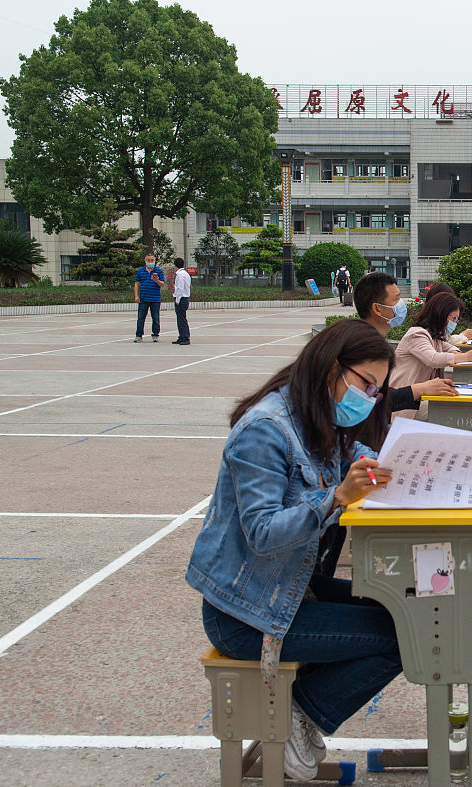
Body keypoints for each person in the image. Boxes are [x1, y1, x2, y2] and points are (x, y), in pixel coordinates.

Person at [185, 319, 402, 782]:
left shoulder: (313, 419)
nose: (369, 397)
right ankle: (300, 712)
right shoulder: (265, 429)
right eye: (366, 384)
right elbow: (262, 532)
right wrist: (337, 498)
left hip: (289, 588)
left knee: (410, 616)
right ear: (331, 369)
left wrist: (393, 462)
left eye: (377, 392)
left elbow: (353, 458)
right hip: (247, 614)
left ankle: (303, 709)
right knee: (405, 636)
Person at [353, 271, 458, 413]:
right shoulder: (361, 347)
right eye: (396, 300)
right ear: (377, 308)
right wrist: (421, 389)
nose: (401, 305)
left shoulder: (375, 342)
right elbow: (365, 401)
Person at [387, 291, 472, 421]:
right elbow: (433, 359)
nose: (455, 322)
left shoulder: (434, 336)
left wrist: (457, 353)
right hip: (404, 403)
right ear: (441, 314)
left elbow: (448, 347)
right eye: (454, 318)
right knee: (458, 411)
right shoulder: (417, 334)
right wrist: (465, 357)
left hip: (419, 398)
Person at [133, 252, 165, 341]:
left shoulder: (159, 271)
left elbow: (162, 284)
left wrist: (157, 280)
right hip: (143, 298)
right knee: (141, 318)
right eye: (148, 260)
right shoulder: (140, 271)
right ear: (145, 261)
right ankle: (139, 335)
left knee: (155, 318)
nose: (150, 262)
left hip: (155, 299)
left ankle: (155, 334)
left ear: (155, 261)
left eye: (152, 260)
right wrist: (136, 296)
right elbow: (136, 284)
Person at [170, 257, 192, 345]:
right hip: (185, 298)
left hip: (181, 298)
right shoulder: (186, 274)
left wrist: (177, 299)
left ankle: (185, 337)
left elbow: (179, 288)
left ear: (175, 265)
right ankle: (182, 336)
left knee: (181, 319)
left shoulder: (180, 275)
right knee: (181, 319)